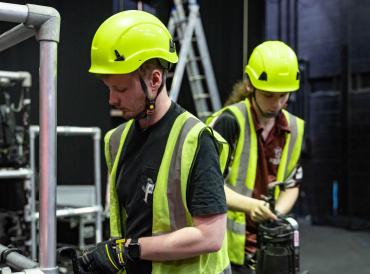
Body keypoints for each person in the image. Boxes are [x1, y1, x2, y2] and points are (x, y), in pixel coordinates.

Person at [77, 10, 231, 274]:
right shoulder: (115, 141)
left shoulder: (194, 140)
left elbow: (211, 236)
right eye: (108, 88)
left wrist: (128, 250)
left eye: (122, 89)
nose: (111, 100)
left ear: (155, 79)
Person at [207, 41, 304, 274]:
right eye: (269, 95)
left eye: (283, 96)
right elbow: (206, 185)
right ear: (251, 85)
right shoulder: (228, 122)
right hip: (225, 250)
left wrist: (275, 215)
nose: (277, 104)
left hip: (270, 247)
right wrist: (252, 206)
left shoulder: (294, 128)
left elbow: (292, 183)